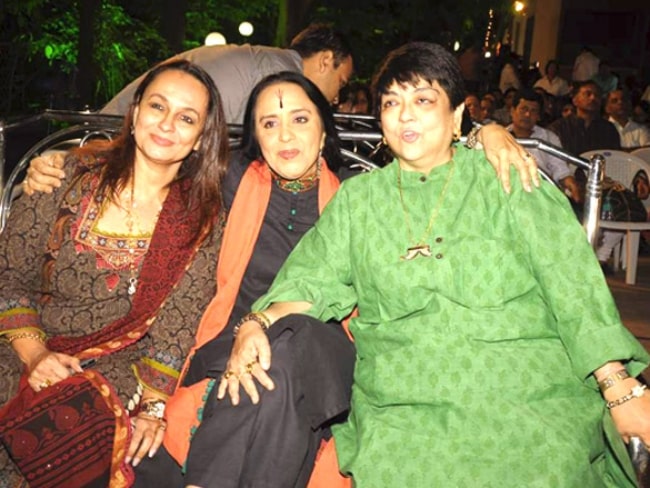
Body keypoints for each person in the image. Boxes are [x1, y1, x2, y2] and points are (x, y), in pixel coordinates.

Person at [23, 83, 542, 488]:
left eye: (300, 120)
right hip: (229, 349)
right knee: (212, 419)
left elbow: (432, 151)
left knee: (295, 336)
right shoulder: (229, 185)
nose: (286, 136)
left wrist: (484, 132)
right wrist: (63, 162)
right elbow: (153, 159)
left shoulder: (360, 199)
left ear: (323, 131)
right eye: (269, 124)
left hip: (325, 350)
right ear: (256, 136)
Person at [218, 42, 650, 487]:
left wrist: (618, 386)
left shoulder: (506, 177)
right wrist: (256, 321)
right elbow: (311, 280)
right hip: (404, 407)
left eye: (423, 100)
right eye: (391, 103)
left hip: (526, 394)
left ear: (457, 117)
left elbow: (572, 285)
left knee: (545, 466)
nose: (405, 115)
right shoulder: (359, 202)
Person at [0, 59, 228, 487]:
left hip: (115, 367)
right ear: (136, 111)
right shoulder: (65, 176)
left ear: (200, 139)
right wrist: (35, 356)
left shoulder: (200, 221)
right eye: (158, 107)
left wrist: (153, 410)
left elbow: (177, 328)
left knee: (87, 442)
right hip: (22, 344)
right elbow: (8, 275)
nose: (167, 125)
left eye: (186, 118)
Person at [102, 23, 354, 124]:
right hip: (114, 136)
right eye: (341, 83)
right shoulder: (282, 77)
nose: (336, 99)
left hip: (108, 127)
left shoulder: (268, 61)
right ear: (325, 61)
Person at [507, 88, 581, 202]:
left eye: (533, 111)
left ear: (539, 116)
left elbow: (560, 169)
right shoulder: (500, 137)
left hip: (540, 195)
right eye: (523, 109)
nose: (527, 114)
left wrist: (569, 182)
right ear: (512, 111)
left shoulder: (549, 138)